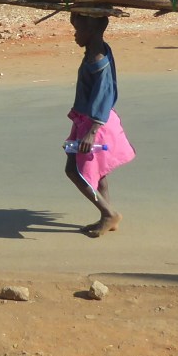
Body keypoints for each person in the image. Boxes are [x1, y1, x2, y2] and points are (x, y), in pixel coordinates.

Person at [65, 12, 135, 237]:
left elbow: (104, 95)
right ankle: (108, 214)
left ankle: (108, 213)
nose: (75, 35)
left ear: (92, 31)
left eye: (78, 30)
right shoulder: (99, 48)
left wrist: (92, 132)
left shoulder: (97, 59)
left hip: (95, 126)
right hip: (87, 122)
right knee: (99, 172)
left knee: (75, 171)